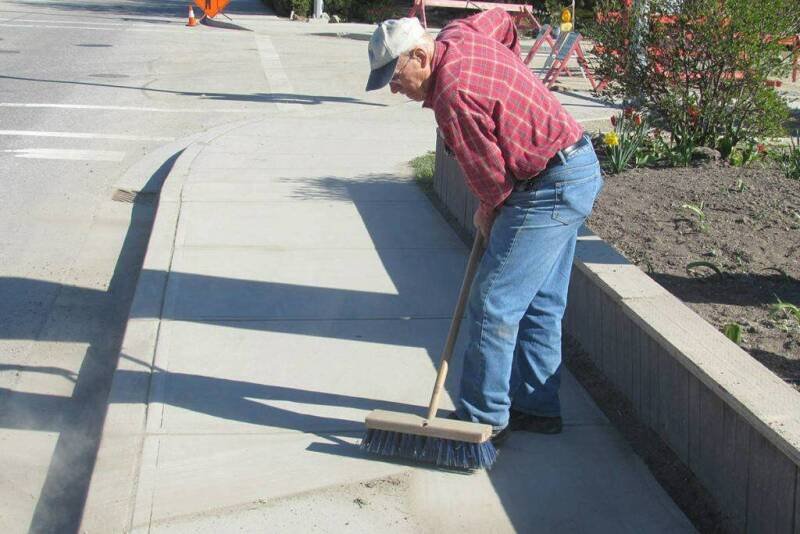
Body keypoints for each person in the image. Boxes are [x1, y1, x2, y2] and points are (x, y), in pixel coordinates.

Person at [365, 9, 603, 445]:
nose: (395, 90)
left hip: (547, 185)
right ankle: (536, 406)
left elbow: (493, 180)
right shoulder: (458, 32)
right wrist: (509, 81)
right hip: (576, 165)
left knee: (494, 303)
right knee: (541, 300)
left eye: (395, 78)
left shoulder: (453, 95)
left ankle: (482, 419)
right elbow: (503, 23)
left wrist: (487, 211)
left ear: (420, 56)